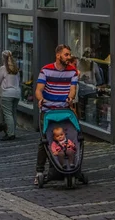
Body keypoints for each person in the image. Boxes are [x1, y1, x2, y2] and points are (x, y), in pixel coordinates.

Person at [34, 44, 78, 185]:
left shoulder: (73, 72)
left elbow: (72, 89)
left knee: (68, 137)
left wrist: (70, 98)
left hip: (64, 111)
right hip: (48, 110)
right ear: (58, 55)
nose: (69, 57)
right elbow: (39, 89)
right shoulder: (46, 70)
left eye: (69, 54)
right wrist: (40, 99)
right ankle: (39, 171)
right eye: (66, 54)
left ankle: (69, 165)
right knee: (45, 140)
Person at [0, 50, 21, 141]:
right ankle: (13, 131)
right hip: (17, 93)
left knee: (7, 114)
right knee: (13, 113)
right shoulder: (16, 69)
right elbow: (19, 81)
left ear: (3, 58)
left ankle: (10, 134)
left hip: (6, 93)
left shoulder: (3, 68)